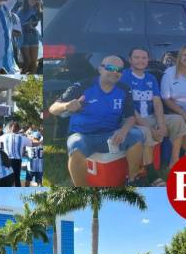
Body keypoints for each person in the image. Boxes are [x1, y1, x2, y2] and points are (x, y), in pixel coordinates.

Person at [48, 55, 145, 186]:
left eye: (119, 70)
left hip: (111, 134)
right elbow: (52, 109)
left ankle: (133, 180)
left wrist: (123, 131)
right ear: (100, 69)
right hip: (83, 135)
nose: (115, 72)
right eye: (110, 68)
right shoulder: (82, 86)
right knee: (76, 145)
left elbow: (130, 117)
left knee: (137, 135)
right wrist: (66, 105)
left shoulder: (124, 89)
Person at [121, 47, 186, 180]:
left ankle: (174, 161)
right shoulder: (124, 77)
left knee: (178, 120)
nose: (141, 60)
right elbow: (129, 109)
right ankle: (149, 171)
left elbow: (157, 102)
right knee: (146, 132)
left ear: (148, 60)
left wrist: (161, 124)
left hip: (150, 117)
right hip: (132, 120)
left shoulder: (151, 78)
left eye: (144, 57)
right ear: (130, 60)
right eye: (137, 57)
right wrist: (151, 129)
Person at [0, 122, 40, 187]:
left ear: (10, 128)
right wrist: (40, 142)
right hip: (17, 161)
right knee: (17, 179)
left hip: (7, 160)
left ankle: (6, 193)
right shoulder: (22, 138)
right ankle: (17, 194)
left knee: (6, 178)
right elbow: (32, 144)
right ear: (18, 129)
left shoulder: (5, 136)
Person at [17, 0, 42, 74]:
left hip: (34, 36)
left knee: (34, 63)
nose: (33, 0)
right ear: (26, 0)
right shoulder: (21, 11)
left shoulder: (38, 11)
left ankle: (32, 82)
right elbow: (16, 24)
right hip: (24, 37)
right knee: (27, 62)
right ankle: (21, 80)